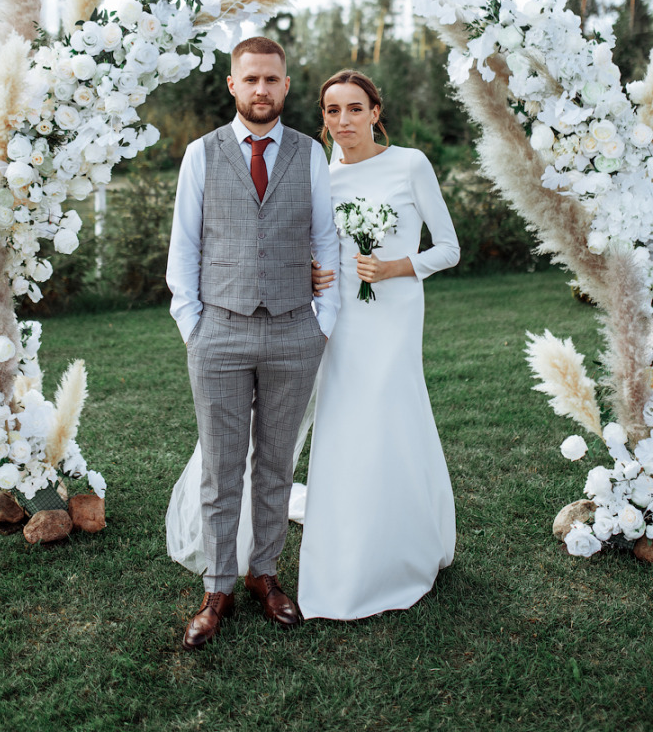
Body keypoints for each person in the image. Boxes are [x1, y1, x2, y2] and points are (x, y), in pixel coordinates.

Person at [166, 37, 340, 650]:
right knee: (221, 465)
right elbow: (184, 247)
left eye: (272, 79)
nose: (261, 89)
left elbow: (328, 240)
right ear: (233, 86)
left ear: (286, 86)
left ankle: (265, 574)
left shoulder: (309, 155)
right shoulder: (200, 155)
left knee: (275, 462)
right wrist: (194, 323)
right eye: (251, 79)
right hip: (220, 330)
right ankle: (218, 587)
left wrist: (324, 317)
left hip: (296, 328)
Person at [297, 69, 460, 620]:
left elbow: (449, 249)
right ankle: (347, 548)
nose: (343, 121)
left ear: (374, 113)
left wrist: (394, 267)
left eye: (354, 109)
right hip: (341, 319)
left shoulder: (409, 164)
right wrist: (316, 273)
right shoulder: (322, 174)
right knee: (346, 423)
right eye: (332, 110)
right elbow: (319, 248)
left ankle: (404, 542)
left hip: (393, 314)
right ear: (324, 119)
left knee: (391, 415)